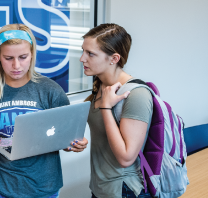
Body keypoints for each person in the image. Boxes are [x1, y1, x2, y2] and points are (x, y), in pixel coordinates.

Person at [0, 23, 88, 198]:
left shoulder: (51, 91)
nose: (16, 65)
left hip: (42, 187)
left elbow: (64, 136)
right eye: (8, 58)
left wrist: (75, 144)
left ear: (32, 55)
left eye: (23, 57)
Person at [80, 23, 153, 198]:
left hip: (125, 191)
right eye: (83, 51)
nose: (82, 58)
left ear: (114, 58)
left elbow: (126, 158)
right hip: (100, 189)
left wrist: (105, 107)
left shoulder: (136, 95)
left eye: (90, 54)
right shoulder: (100, 86)